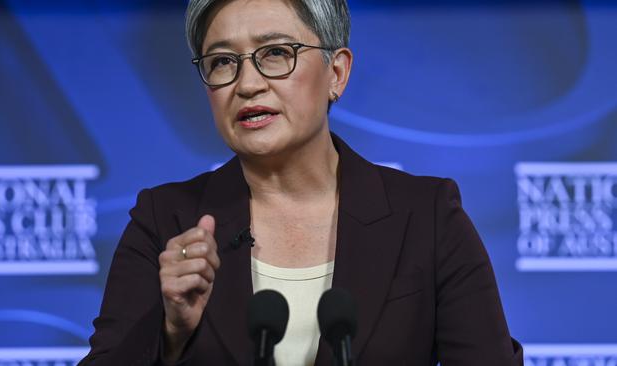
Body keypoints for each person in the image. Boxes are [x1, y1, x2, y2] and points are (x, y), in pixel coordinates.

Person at [80, 0, 524, 365]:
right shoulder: (167, 220)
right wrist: (172, 332)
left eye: (275, 53)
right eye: (222, 62)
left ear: (337, 73)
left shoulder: (426, 217)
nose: (247, 84)